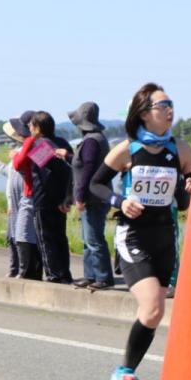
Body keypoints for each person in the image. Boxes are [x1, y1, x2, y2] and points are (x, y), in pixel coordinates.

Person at [90, 83, 191, 380]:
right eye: (162, 105)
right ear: (144, 113)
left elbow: (184, 201)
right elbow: (93, 185)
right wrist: (119, 201)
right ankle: (123, 372)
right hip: (133, 235)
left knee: (156, 311)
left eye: (171, 104)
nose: (169, 110)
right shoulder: (127, 149)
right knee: (151, 307)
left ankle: (128, 371)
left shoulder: (182, 149)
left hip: (166, 235)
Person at [13, 111, 74, 283]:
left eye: (31, 125)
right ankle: (64, 274)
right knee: (60, 238)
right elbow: (69, 171)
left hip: (44, 199)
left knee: (45, 239)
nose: (29, 129)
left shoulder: (41, 144)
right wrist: (66, 197)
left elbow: (34, 170)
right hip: (61, 200)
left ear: (38, 128)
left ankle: (53, 275)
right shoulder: (61, 142)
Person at [69, 101, 115, 290]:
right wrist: (67, 156)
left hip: (92, 197)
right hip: (97, 196)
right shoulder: (98, 138)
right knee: (88, 239)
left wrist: (79, 196)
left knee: (94, 239)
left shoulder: (90, 141)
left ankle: (104, 278)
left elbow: (87, 170)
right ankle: (90, 275)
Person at [0, 142, 41, 279]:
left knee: (23, 237)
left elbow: (26, 171)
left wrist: (17, 157)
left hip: (25, 201)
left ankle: (25, 271)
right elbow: (8, 171)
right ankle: (14, 268)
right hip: (14, 204)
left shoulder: (36, 150)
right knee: (12, 238)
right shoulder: (16, 157)